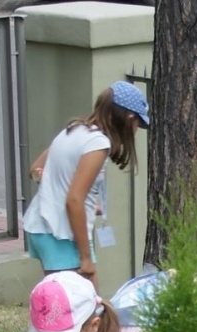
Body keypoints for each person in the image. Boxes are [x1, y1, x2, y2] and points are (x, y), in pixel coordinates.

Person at [21, 81, 149, 287]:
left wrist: (62, 191)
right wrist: (86, 258)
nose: (135, 130)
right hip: (60, 234)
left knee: (67, 306)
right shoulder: (98, 143)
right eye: (137, 124)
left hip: (41, 225)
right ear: (128, 117)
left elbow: (35, 170)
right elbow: (73, 200)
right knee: (87, 309)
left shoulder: (74, 129)